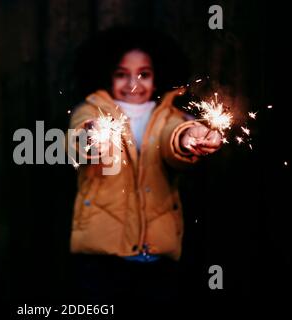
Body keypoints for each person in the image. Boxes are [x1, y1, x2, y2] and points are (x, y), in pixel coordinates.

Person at [67, 26, 222, 304]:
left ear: (158, 75)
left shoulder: (170, 115)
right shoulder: (91, 110)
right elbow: (80, 135)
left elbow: (173, 135)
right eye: (121, 74)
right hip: (101, 256)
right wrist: (91, 139)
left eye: (144, 74)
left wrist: (188, 138)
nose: (133, 84)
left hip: (158, 258)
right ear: (105, 74)